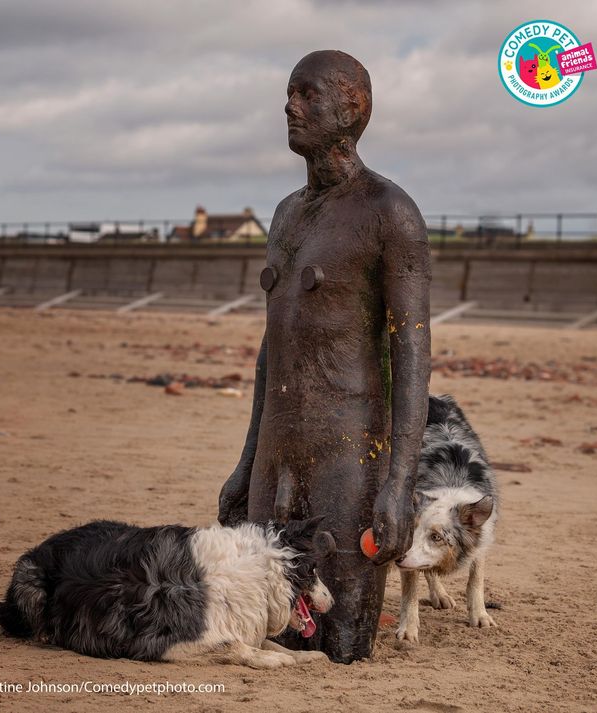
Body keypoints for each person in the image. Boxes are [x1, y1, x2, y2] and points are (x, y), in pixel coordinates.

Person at [218, 49, 431, 663]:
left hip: (348, 461)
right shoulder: (286, 215)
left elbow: (412, 354)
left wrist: (399, 482)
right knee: (272, 631)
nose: (290, 105)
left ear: (352, 107)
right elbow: (272, 349)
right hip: (275, 459)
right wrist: (246, 460)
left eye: (307, 94)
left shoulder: (388, 212)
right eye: (290, 93)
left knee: (340, 645)